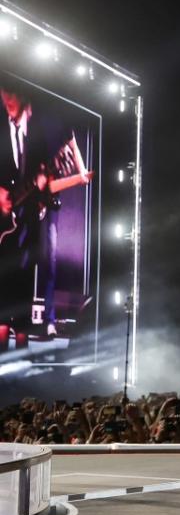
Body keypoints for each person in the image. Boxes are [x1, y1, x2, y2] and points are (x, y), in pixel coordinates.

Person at [0, 79, 89, 346]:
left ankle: (26, 337)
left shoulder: (38, 133)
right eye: (4, 94)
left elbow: (44, 179)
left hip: (30, 217)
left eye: (11, 93)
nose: (7, 99)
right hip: (11, 218)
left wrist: (43, 191)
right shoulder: (4, 128)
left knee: (31, 270)